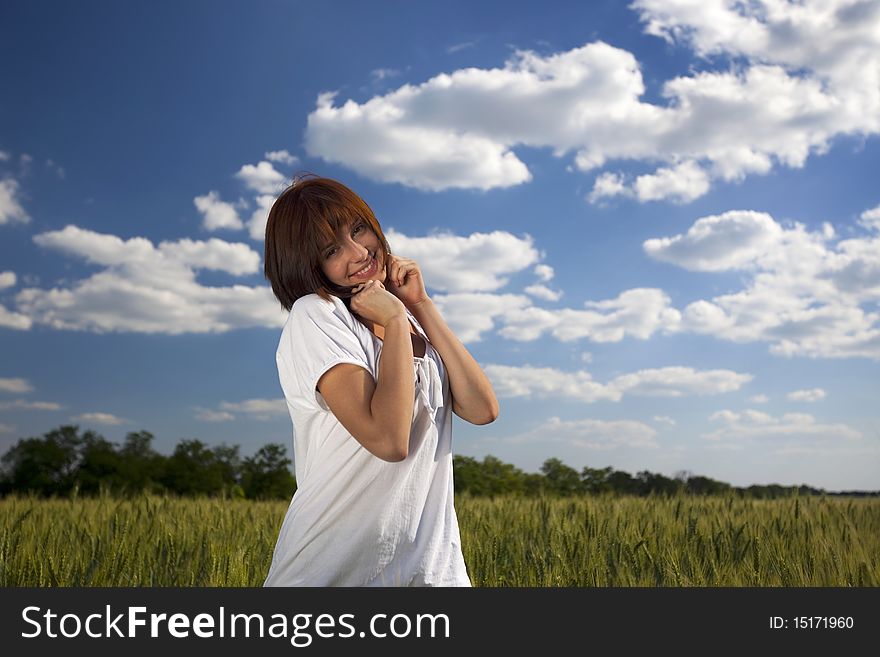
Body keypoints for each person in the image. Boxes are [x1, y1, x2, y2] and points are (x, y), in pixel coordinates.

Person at [262, 175, 499, 586]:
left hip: (433, 571)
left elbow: (482, 409)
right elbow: (389, 440)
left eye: (358, 229)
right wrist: (391, 318)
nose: (358, 252)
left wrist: (419, 306)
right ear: (308, 265)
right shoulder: (316, 317)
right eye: (332, 249)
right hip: (335, 571)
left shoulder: (402, 314)